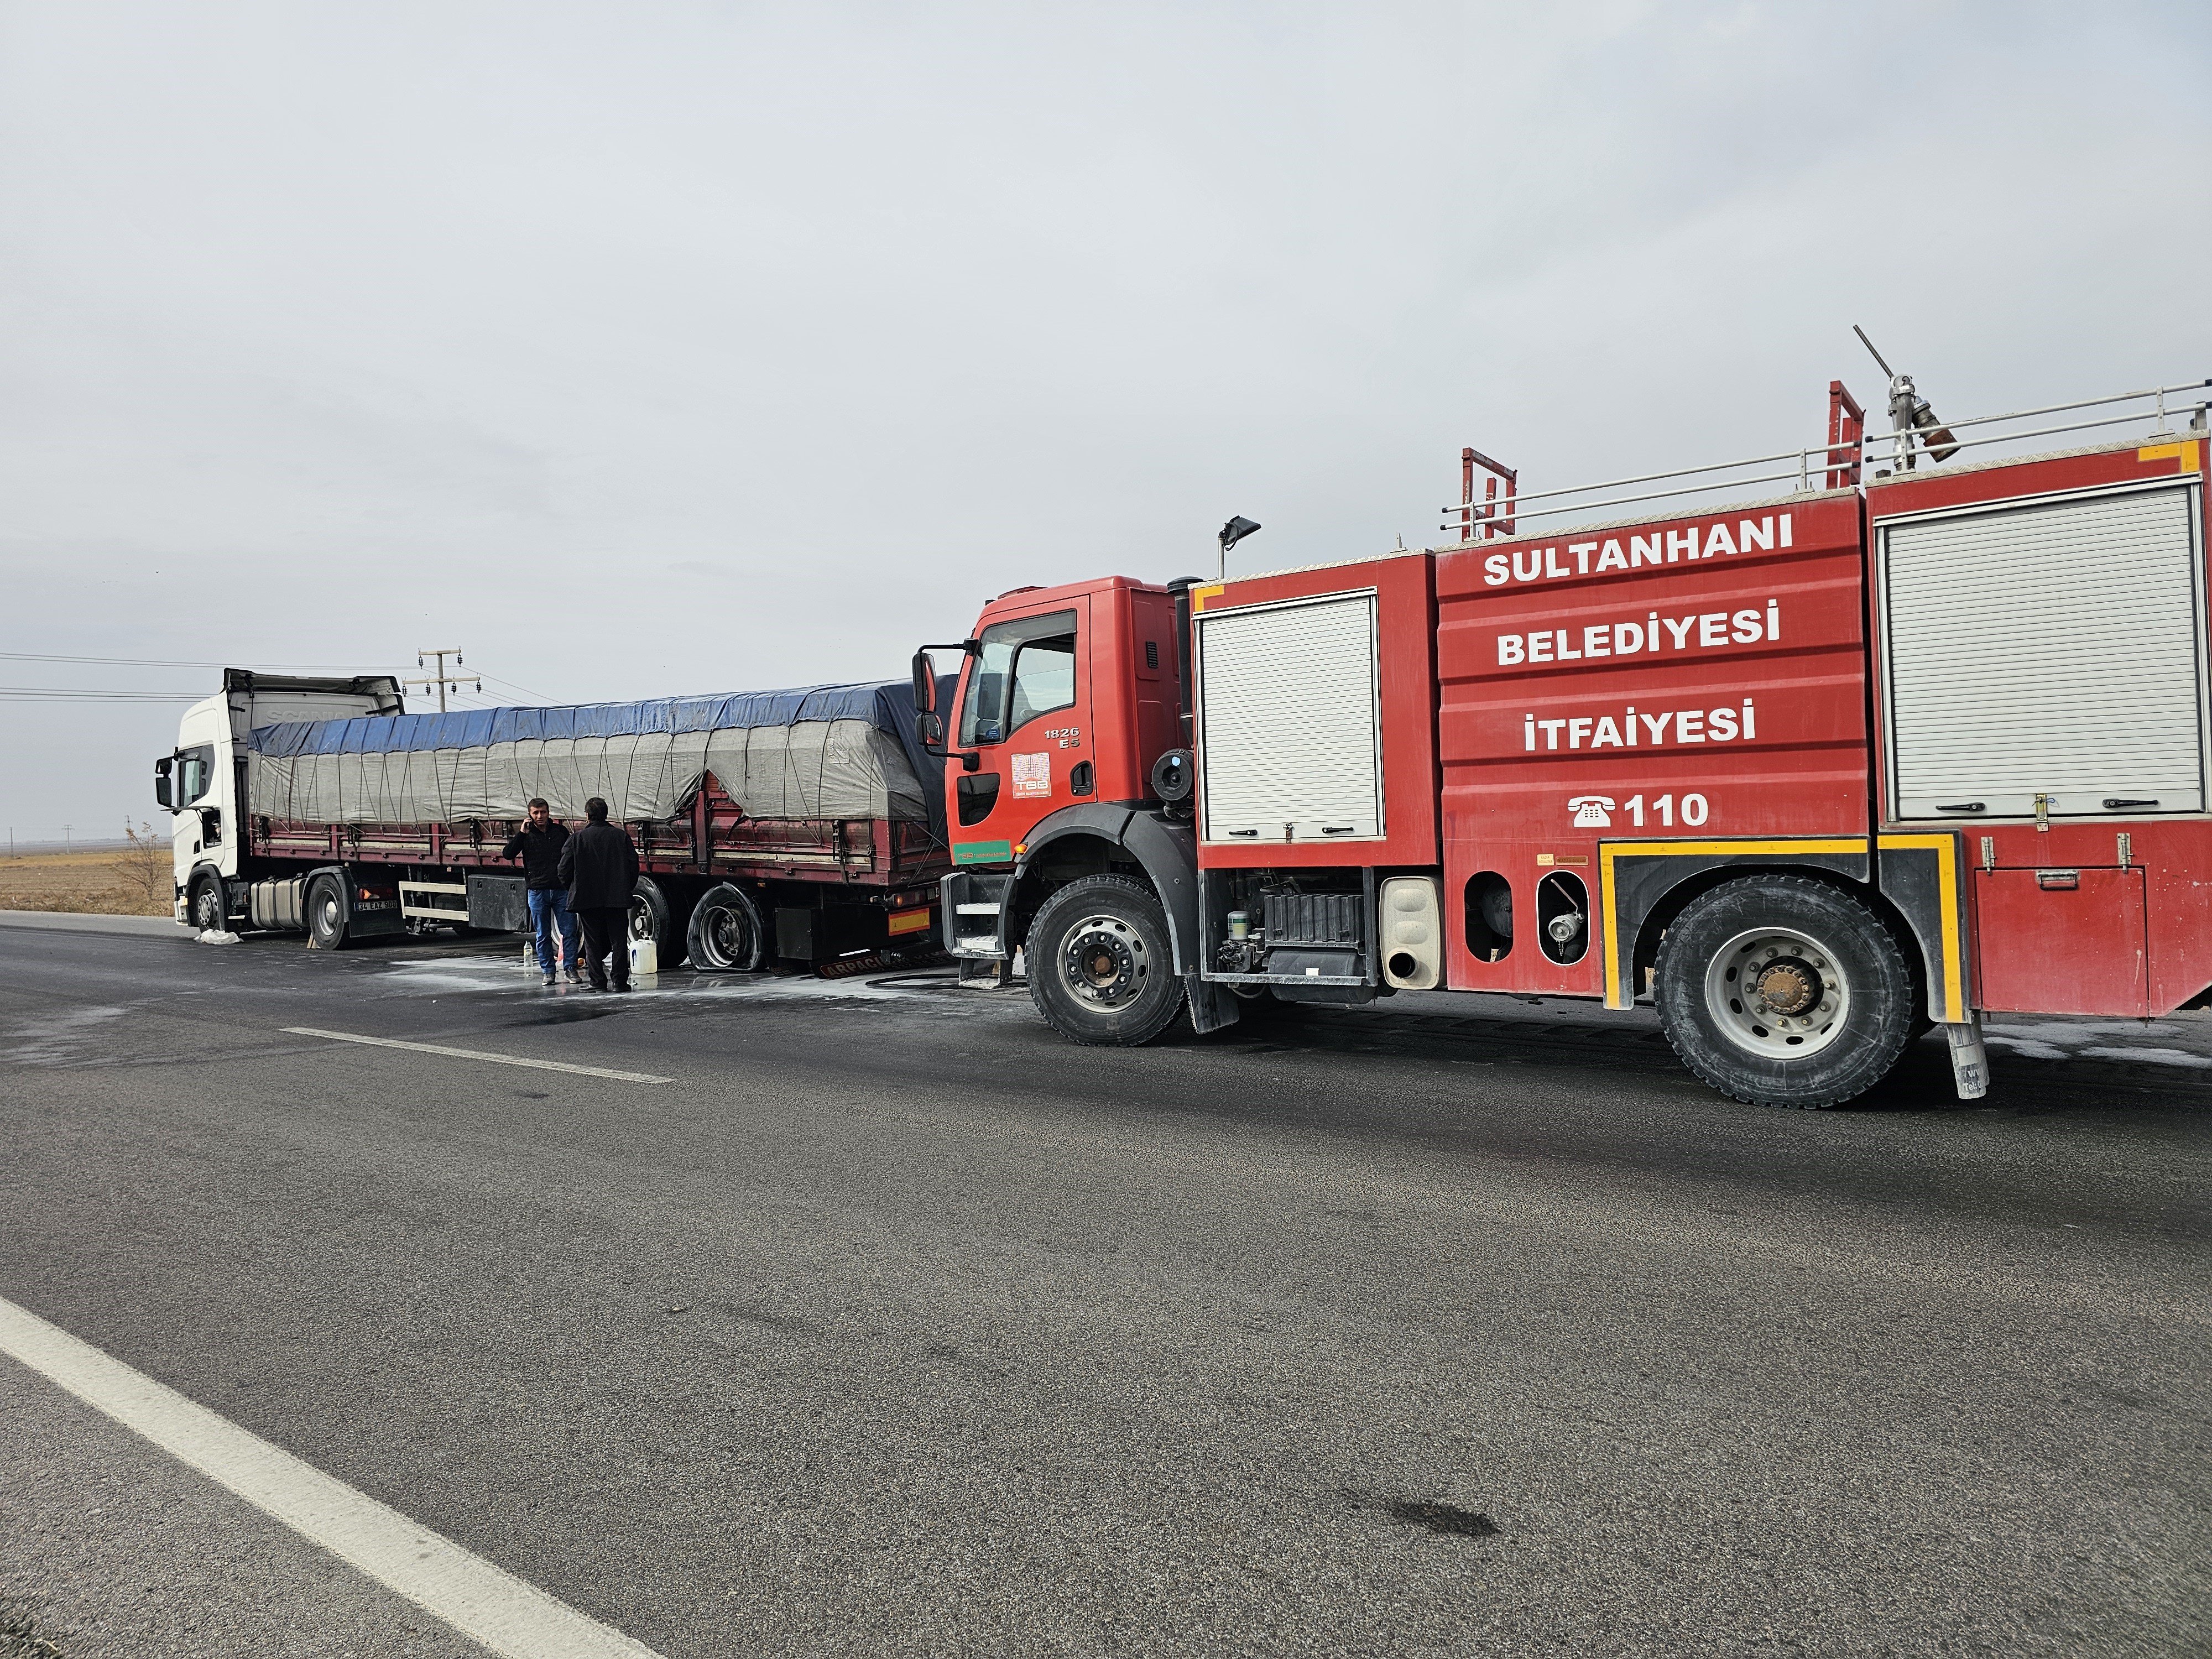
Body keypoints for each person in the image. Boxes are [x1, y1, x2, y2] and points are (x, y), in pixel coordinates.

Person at [558, 796, 640, 992]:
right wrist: (625, 887)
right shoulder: (620, 837)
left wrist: (573, 888)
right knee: (619, 939)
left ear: (587, 815)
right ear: (606, 814)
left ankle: (598, 982)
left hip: (587, 898)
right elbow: (633, 865)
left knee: (592, 941)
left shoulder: (576, 839)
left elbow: (563, 869)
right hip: (617, 898)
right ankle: (620, 982)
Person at [501, 798, 579, 987]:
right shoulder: (526, 834)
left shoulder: (560, 832)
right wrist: (521, 834)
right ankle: (548, 972)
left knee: (569, 931)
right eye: (535, 813)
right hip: (537, 891)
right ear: (530, 814)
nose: (540, 816)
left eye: (543, 812)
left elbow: (572, 855)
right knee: (542, 934)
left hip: (561, 890)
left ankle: (570, 969)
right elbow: (508, 854)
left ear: (548, 812)